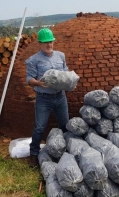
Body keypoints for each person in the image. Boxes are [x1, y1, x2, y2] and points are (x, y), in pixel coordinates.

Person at [25, 28, 69, 168]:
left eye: (50, 41)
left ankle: (66, 151)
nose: (49, 45)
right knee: (39, 127)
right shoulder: (33, 60)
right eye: (45, 42)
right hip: (43, 99)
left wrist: (69, 79)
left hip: (60, 97)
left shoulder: (60, 56)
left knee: (65, 125)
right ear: (40, 43)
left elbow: (65, 71)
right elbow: (29, 79)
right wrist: (37, 83)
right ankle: (34, 154)